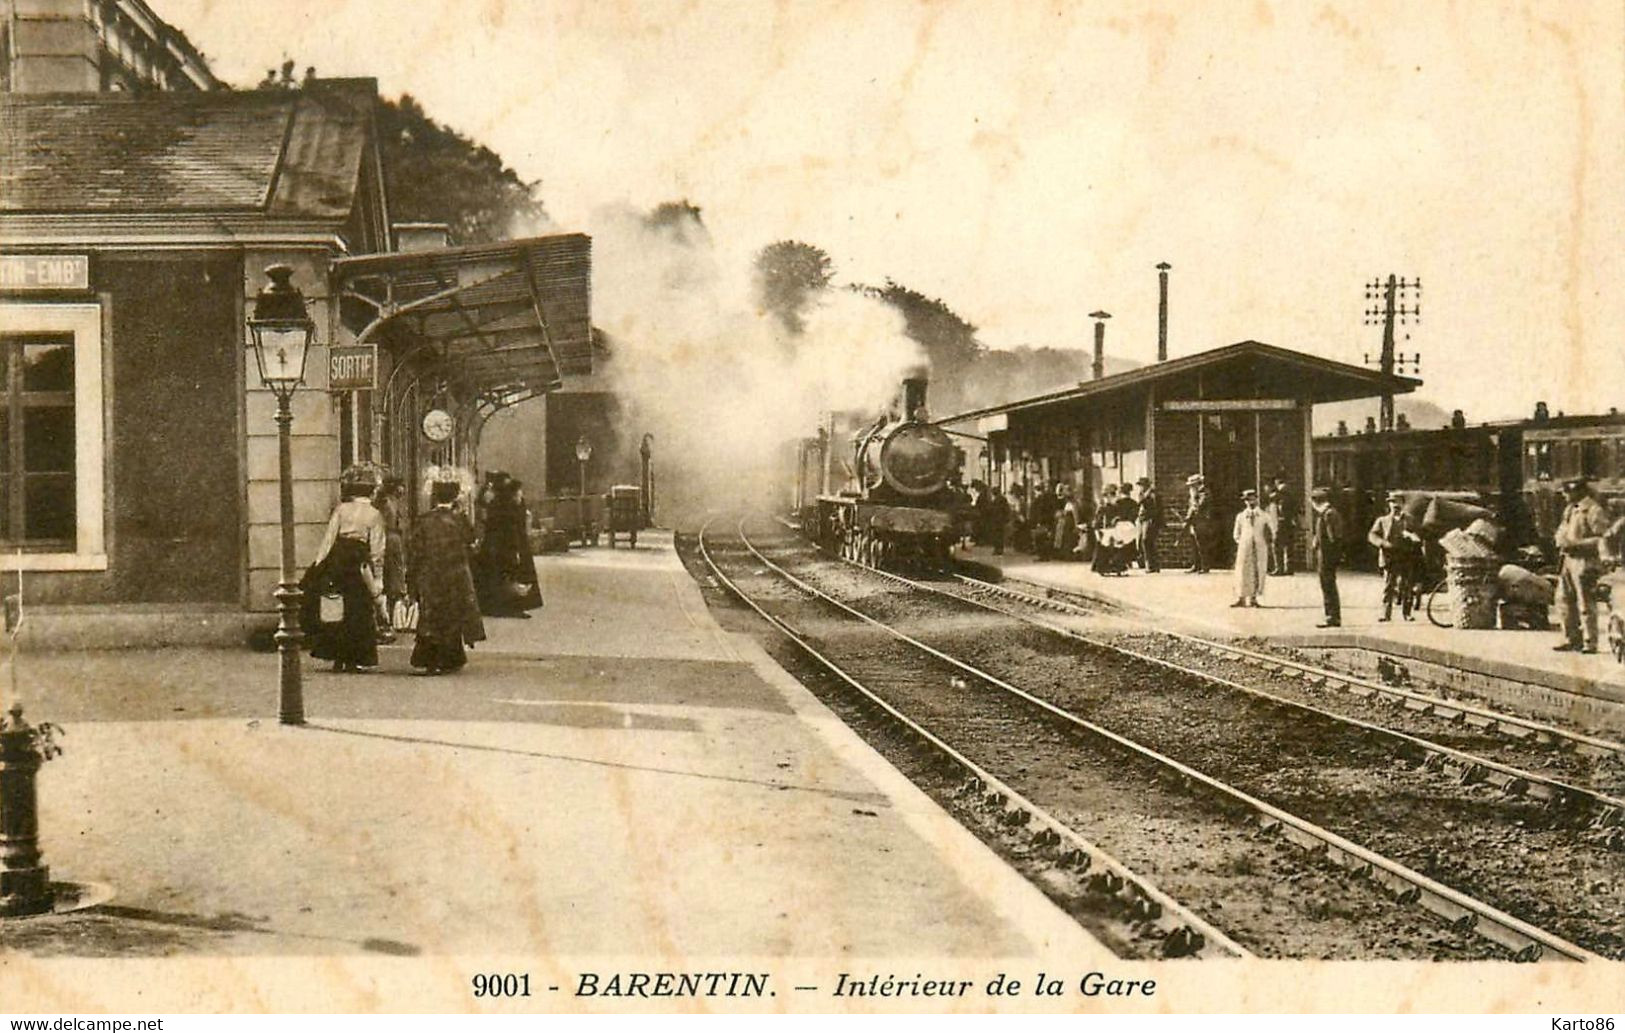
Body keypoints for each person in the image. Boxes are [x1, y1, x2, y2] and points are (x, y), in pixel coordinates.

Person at [301, 473, 386, 673]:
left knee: (336, 606)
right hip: (358, 563)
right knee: (358, 610)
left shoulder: (341, 510)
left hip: (338, 560)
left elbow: (329, 539)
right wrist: (378, 577)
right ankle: (354, 658)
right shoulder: (374, 514)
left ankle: (337, 656)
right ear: (371, 492)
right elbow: (377, 549)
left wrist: (319, 564)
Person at [409, 481, 487, 675]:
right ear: (454, 497)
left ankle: (429, 659)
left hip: (430, 573)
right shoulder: (459, 519)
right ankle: (449, 658)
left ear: (434, 497)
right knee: (451, 615)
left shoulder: (423, 520)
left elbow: (415, 549)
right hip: (454, 574)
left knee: (430, 614)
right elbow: (471, 542)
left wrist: (413, 577)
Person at [1552, 476, 1612, 653]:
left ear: (1577, 491)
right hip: (1568, 560)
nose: (1564, 496)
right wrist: (1560, 540)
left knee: (1585, 603)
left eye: (1567, 492)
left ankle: (1589, 641)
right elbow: (1562, 530)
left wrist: (1575, 544)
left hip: (1585, 561)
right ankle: (1571, 638)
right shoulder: (1570, 510)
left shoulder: (1593, 510)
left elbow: (1603, 538)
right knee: (1563, 599)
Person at [475, 476, 544, 618]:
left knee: (502, 578)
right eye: (518, 494)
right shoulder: (509, 511)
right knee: (511, 577)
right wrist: (516, 550)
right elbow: (512, 532)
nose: (521, 496)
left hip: (496, 548)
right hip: (507, 548)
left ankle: (496, 606)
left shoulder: (500, 506)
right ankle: (513, 607)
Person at [1368, 490, 1422, 621]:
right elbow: (1372, 535)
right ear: (1388, 505)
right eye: (1392, 502)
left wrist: (1413, 537)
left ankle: (1407, 613)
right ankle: (1385, 614)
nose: (1394, 505)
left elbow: (1420, 535)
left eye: (1397, 502)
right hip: (1389, 557)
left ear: (1403, 504)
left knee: (1406, 586)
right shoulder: (1382, 521)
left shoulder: (1410, 520)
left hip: (1406, 556)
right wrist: (1383, 543)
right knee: (1388, 586)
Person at [374, 476, 409, 629]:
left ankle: (390, 617)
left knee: (392, 577)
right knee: (392, 577)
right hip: (390, 540)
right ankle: (389, 618)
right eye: (401, 487)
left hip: (392, 539)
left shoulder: (389, 502)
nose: (403, 490)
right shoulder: (388, 503)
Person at [1310, 486, 1345, 628]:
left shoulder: (1328, 514)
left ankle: (1332, 616)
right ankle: (1331, 615)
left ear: (1316, 502)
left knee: (1328, 585)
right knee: (1327, 585)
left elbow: (1333, 537)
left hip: (1326, 556)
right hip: (1325, 555)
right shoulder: (1327, 513)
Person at [1231, 489, 1273, 607]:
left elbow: (1271, 531)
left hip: (1260, 546)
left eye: (1252, 499)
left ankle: (1254, 598)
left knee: (1258, 570)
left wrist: (1265, 541)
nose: (1250, 502)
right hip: (1245, 547)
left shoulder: (1264, 516)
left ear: (1257, 499)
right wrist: (1243, 542)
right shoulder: (1240, 516)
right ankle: (1241, 597)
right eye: (1247, 500)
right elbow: (1236, 533)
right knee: (1242, 571)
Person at [1092, 484, 1125, 575]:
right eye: (1112, 495)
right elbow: (1098, 520)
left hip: (1114, 529)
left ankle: (1116, 568)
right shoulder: (1103, 507)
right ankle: (1103, 568)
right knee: (1105, 549)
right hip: (1106, 529)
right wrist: (1098, 529)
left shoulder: (1116, 506)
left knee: (1115, 548)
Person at [1183, 474, 1212, 573]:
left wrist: (1194, 498)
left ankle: (1205, 566)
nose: (1190, 487)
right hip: (1194, 521)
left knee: (1202, 544)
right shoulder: (1194, 493)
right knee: (1194, 543)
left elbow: (1199, 506)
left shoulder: (1204, 493)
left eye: (1192, 485)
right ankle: (1196, 565)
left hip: (1202, 521)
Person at [1268, 475, 1296, 575]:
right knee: (1289, 546)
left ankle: (1279, 568)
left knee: (1277, 545)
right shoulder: (1292, 494)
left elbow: (1273, 502)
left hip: (1281, 522)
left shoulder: (1278, 495)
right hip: (1290, 522)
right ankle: (1289, 568)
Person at [1135, 476, 1163, 573]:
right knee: (1145, 542)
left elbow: (1157, 509)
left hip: (1150, 520)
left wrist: (1155, 520)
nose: (1141, 487)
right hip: (1143, 519)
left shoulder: (1153, 494)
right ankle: (1151, 564)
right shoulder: (1142, 494)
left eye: (1142, 485)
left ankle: (1151, 565)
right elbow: (1140, 503)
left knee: (1147, 540)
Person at [1029, 481, 1057, 560]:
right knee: (1042, 538)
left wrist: (1039, 521)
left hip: (1043, 521)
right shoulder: (1046, 498)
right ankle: (1044, 555)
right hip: (1045, 521)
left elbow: (1040, 511)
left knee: (1040, 538)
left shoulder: (1042, 499)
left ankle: (1043, 555)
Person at [1053, 484, 1081, 560]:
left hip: (1070, 523)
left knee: (1068, 539)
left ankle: (1068, 555)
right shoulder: (1067, 504)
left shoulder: (1073, 504)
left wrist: (1076, 525)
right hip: (1065, 523)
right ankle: (1063, 554)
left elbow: (1075, 515)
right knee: (1064, 539)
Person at [986, 487, 1011, 556]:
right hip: (998, 519)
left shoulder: (999, 499)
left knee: (998, 535)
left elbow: (1004, 509)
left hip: (998, 520)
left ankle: (998, 549)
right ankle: (998, 549)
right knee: (998, 535)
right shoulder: (1000, 499)